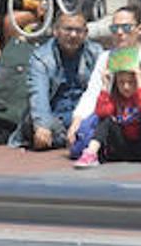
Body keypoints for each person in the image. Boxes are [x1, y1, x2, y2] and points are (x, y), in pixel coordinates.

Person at [17, 10, 102, 150]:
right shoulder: (41, 57)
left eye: (78, 30)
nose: (73, 35)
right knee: (34, 124)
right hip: (55, 117)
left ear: (86, 33)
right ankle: (72, 137)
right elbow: (38, 95)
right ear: (56, 31)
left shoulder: (96, 53)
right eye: (68, 29)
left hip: (82, 114)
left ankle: (73, 137)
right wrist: (42, 126)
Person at [71, 46, 141, 167]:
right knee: (105, 118)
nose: (126, 87)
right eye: (121, 82)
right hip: (120, 146)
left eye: (131, 82)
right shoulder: (115, 98)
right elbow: (101, 112)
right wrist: (105, 86)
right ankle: (91, 153)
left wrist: (140, 81)